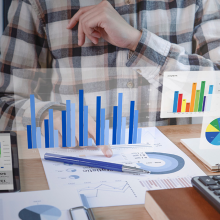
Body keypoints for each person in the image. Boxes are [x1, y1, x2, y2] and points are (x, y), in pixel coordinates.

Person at [0, 0, 220, 157]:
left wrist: (137, 43)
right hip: (76, 171)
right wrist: (47, 115)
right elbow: (4, 100)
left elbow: (216, 95)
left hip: (174, 178)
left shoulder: (201, 3)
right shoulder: (38, 3)